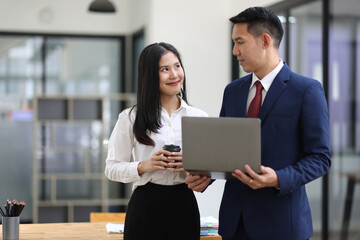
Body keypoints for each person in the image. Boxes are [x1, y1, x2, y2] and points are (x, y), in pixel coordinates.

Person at [185, 7, 331, 240]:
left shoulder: (306, 90)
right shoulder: (233, 91)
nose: (235, 51)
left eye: (240, 42)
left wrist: (278, 178)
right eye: (233, 43)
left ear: (265, 41)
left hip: (283, 225)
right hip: (235, 223)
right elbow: (224, 150)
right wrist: (206, 177)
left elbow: (321, 158)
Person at [105, 42, 207, 240]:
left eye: (177, 66)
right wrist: (144, 166)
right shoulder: (130, 117)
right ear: (150, 75)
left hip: (184, 204)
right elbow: (111, 168)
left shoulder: (199, 117)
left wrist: (191, 166)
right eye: (165, 69)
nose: (174, 75)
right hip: (145, 206)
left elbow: (208, 169)